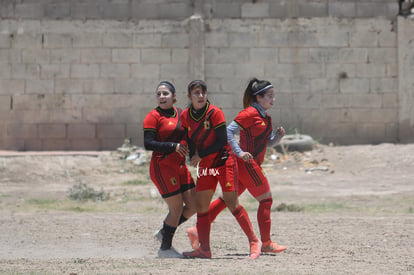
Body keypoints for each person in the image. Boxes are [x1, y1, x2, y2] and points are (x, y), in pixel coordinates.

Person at [186, 78, 287, 254]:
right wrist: (239, 152)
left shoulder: (267, 119)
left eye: (273, 96)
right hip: (246, 163)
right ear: (258, 98)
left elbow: (267, 143)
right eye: (269, 96)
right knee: (266, 199)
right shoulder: (248, 113)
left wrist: (278, 138)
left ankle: (197, 230)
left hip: (248, 163)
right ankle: (266, 242)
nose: (273, 99)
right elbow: (228, 131)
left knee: (227, 200)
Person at [180, 80, 261, 259]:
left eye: (203, 92)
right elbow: (189, 138)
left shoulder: (215, 113)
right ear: (189, 96)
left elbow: (221, 141)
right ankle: (204, 249)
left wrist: (200, 155)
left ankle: (254, 241)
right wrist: (191, 154)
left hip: (224, 161)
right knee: (201, 206)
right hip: (206, 165)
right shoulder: (185, 115)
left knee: (232, 202)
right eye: (196, 93)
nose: (200, 96)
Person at [143, 81, 196, 258]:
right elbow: (148, 143)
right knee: (176, 209)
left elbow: (190, 136)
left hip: (180, 167)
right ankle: (165, 249)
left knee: (193, 205)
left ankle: (164, 231)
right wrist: (172, 146)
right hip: (162, 167)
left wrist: (197, 154)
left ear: (174, 96)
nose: (161, 97)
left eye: (165, 94)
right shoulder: (153, 116)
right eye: (158, 94)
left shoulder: (182, 114)